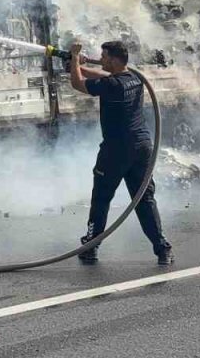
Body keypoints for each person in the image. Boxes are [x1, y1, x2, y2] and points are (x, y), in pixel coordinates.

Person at [68, 41, 173, 266]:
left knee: (101, 198)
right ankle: (163, 249)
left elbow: (78, 83)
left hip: (116, 150)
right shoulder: (134, 79)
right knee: (144, 199)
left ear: (115, 60)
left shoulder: (112, 85)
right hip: (142, 147)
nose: (102, 59)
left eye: (104, 57)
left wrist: (75, 58)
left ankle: (91, 246)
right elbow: (100, 75)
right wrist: (77, 63)